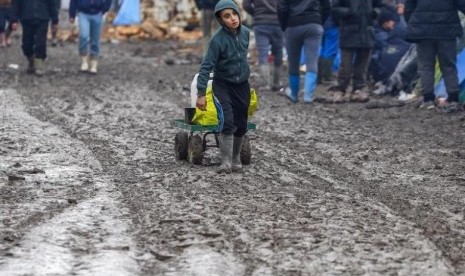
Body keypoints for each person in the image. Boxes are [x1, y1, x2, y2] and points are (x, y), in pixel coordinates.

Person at [196, 0, 251, 173]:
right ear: (221, 20)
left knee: (241, 124)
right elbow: (205, 67)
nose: (233, 18)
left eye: (234, 14)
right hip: (223, 85)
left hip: (242, 84)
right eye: (227, 16)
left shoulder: (246, 33)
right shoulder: (217, 40)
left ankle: (236, 160)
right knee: (228, 121)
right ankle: (225, 162)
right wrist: (201, 93)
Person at [405, 0, 465, 112]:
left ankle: (428, 99)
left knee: (426, 67)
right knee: (448, 66)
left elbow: (408, 8)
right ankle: (452, 99)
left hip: (423, 33)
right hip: (447, 32)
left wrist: (415, 25)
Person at [329, 0, 383, 103]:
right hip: (349, 30)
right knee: (346, 65)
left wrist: (373, 13)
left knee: (362, 65)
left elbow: (380, 6)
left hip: (366, 31)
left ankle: (358, 89)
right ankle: (340, 89)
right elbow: (335, 8)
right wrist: (349, 12)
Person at [278, 0, 331, 103]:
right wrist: (319, 20)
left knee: (293, 62)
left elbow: (281, 7)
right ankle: (308, 96)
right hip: (314, 24)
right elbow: (327, 7)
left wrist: (284, 25)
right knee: (312, 61)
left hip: (293, 25)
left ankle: (294, 95)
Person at [243, 0, 284, 91]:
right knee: (278, 52)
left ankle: (266, 84)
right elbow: (284, 5)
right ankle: (276, 82)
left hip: (260, 23)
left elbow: (246, 4)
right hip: (277, 23)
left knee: (263, 53)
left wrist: (256, 13)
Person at [11, 0, 59, 76]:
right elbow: (16, 4)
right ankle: (31, 60)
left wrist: (55, 20)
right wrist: (14, 20)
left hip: (43, 18)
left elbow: (52, 4)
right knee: (26, 44)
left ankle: (39, 65)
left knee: (41, 42)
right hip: (26, 18)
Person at [69, 0, 112, 74]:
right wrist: (71, 14)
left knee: (95, 39)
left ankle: (93, 63)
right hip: (83, 12)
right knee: (84, 36)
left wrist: (105, 8)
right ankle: (84, 60)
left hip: (97, 13)